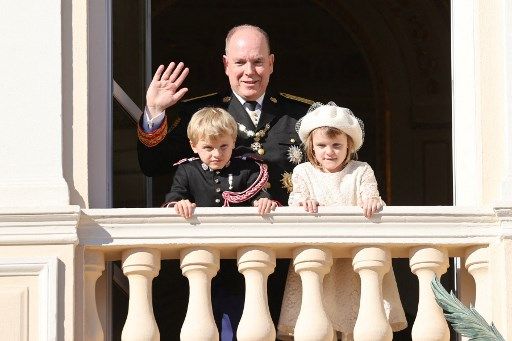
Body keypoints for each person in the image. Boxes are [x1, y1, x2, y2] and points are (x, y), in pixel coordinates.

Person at [138, 24, 312, 336]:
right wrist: (154, 111)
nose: (250, 71)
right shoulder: (200, 114)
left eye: (258, 62)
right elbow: (152, 164)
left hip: (289, 260)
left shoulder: (303, 115)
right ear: (226, 64)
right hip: (222, 264)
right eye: (241, 62)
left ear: (271, 63)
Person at [276, 102, 407, 339]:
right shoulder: (303, 172)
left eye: (337, 145)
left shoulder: (360, 171)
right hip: (319, 255)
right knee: (317, 319)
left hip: (352, 261)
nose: (330, 151)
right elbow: (296, 199)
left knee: (359, 318)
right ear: (311, 148)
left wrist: (371, 202)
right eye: (322, 146)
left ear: (349, 146)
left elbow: (371, 196)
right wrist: (303, 202)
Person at [163, 107, 277, 340]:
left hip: (238, 262)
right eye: (208, 148)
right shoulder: (187, 170)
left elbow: (260, 195)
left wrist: (263, 202)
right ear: (194, 146)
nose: (216, 154)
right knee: (201, 318)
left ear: (234, 141)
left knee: (237, 319)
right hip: (201, 258)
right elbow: (173, 198)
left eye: (223, 146)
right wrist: (179, 204)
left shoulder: (247, 168)